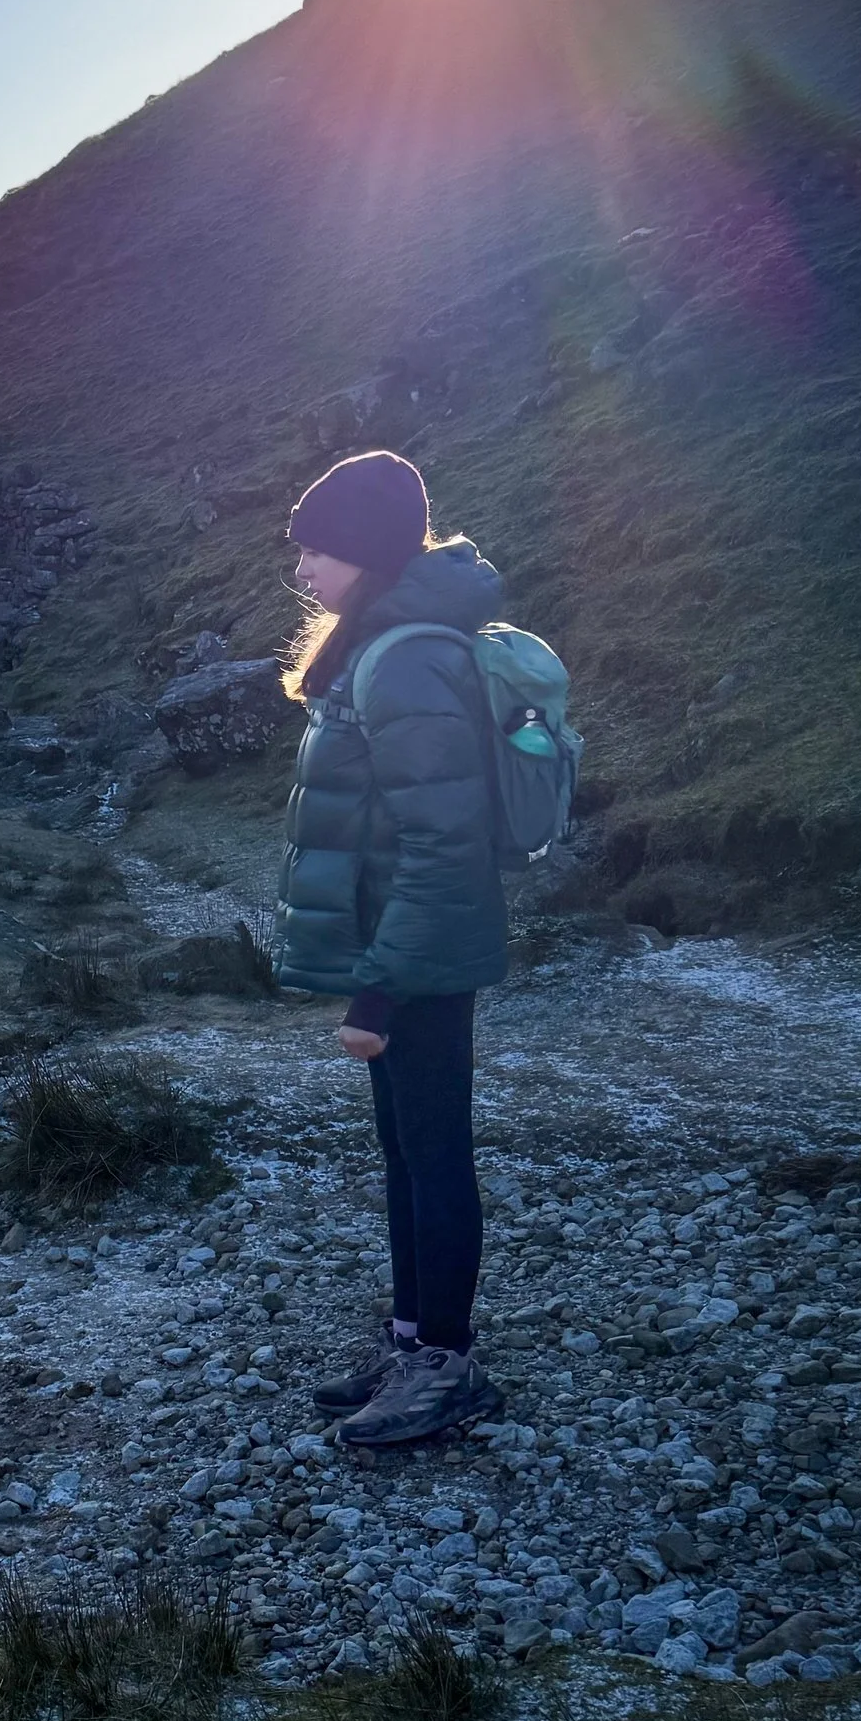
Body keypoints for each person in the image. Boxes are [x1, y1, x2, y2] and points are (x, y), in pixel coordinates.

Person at [273, 449, 509, 1447]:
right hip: (398, 945)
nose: (301, 572)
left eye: (316, 551)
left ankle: (446, 1366)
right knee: (405, 1149)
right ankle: (413, 1340)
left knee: (433, 1150)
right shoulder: (378, 647)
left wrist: (377, 989)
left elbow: (443, 842)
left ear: (364, 552)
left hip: (416, 950)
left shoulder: (404, 658)